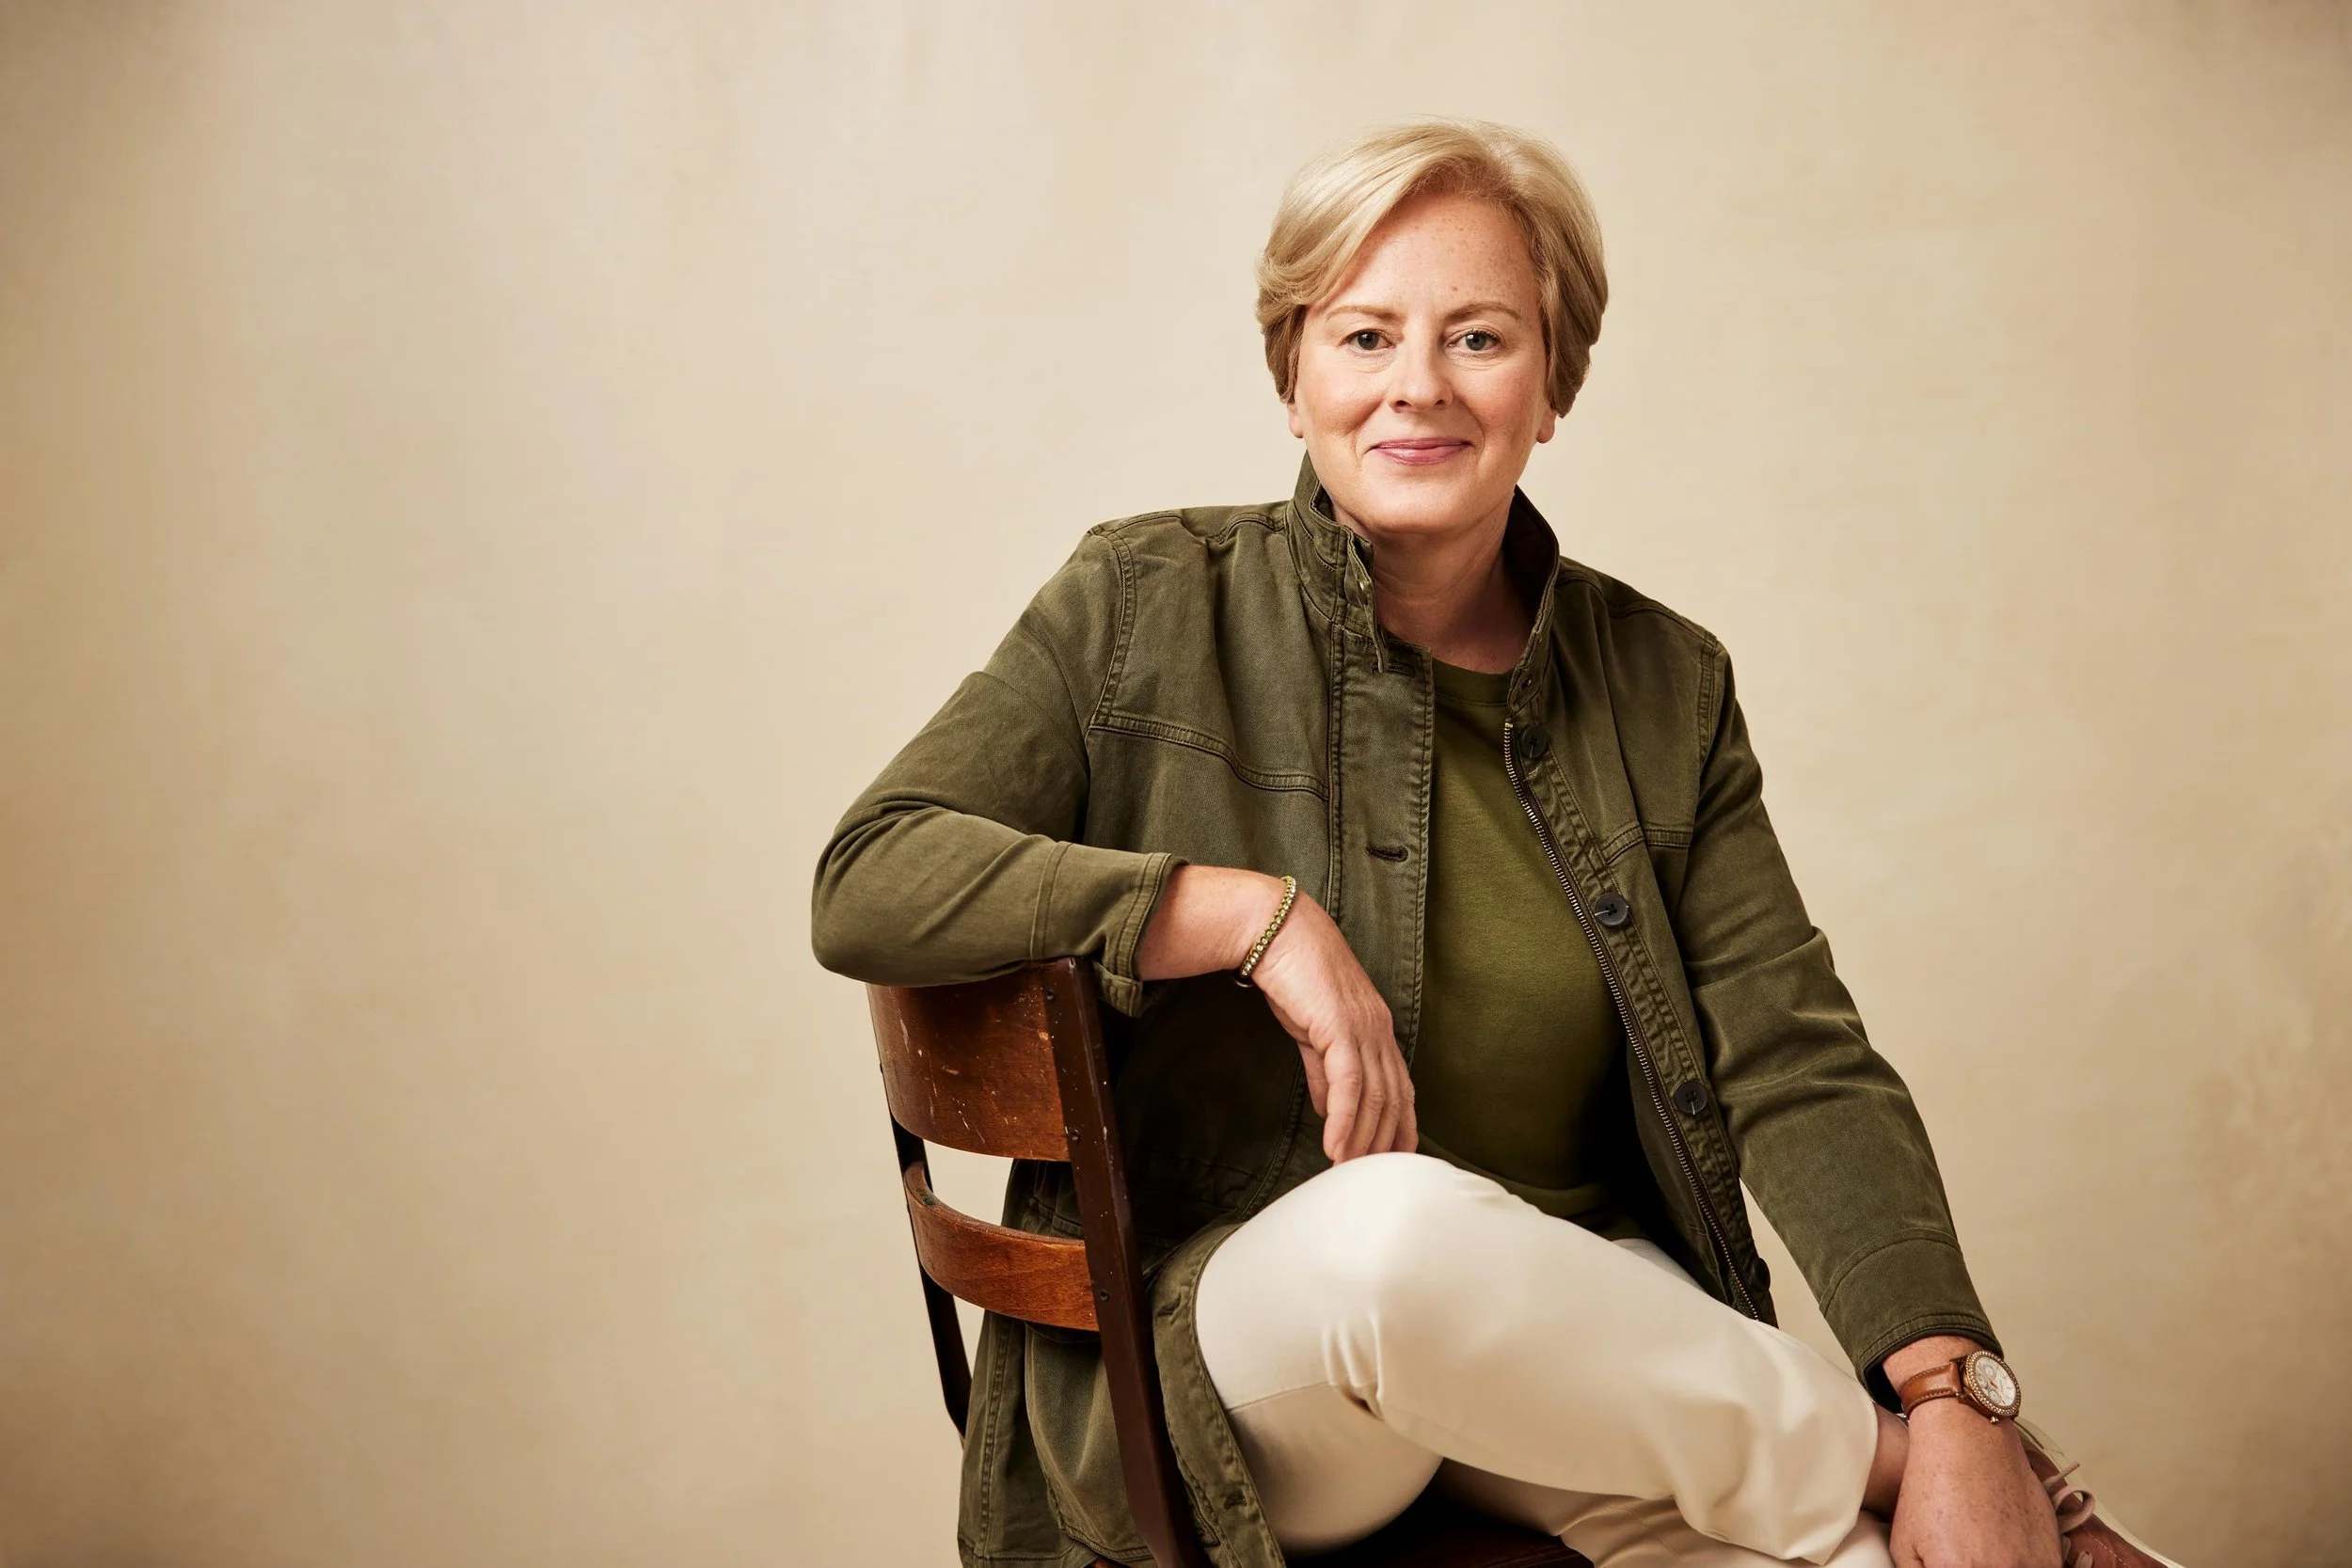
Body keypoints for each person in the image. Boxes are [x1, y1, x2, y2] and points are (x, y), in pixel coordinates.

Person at [812, 119, 2178, 1568]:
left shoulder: (1664, 685)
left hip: (1587, 1367)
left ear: (1551, 385)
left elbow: (1795, 1055)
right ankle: (1885, 1458)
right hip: (1253, 1369)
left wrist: (1945, 1372)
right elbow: (869, 875)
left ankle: (1933, 1481)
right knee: (1393, 1237)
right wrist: (1241, 914)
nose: (1419, 384)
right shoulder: (1140, 606)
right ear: (1292, 376)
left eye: (1478, 337)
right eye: (1364, 336)